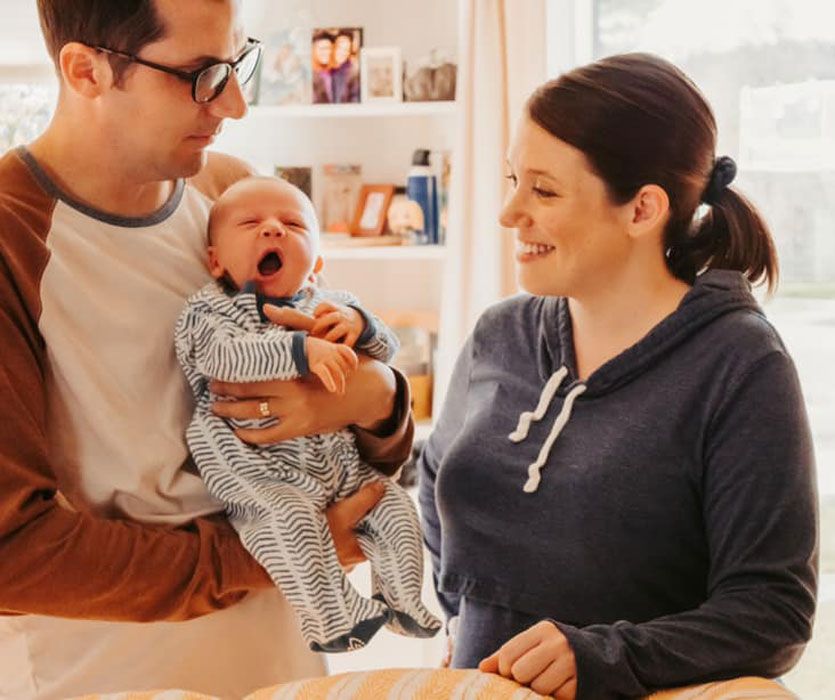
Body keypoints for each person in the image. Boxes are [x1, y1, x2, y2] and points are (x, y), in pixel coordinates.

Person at [0, 1, 414, 698]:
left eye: (236, 62)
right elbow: (14, 551)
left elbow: (338, 424)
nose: (236, 103)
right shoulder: (15, 239)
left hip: (279, 660)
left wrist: (380, 398)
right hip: (110, 674)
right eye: (200, 75)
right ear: (86, 71)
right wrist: (269, 552)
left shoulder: (228, 193)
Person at [418, 53, 817, 699]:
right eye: (512, 178)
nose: (508, 211)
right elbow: (438, 484)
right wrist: (464, 623)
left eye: (542, 190)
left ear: (641, 210)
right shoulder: (500, 333)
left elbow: (771, 612)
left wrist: (603, 655)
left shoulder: (738, 365)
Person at [175, 176, 441, 652]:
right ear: (215, 259)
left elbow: (388, 347)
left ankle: (401, 596)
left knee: (395, 504)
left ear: (317, 262)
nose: (273, 230)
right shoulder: (209, 311)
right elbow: (223, 359)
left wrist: (360, 326)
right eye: (252, 223)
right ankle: (332, 619)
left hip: (336, 463)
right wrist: (300, 351)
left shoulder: (331, 304)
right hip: (256, 467)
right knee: (290, 521)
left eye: (293, 224)